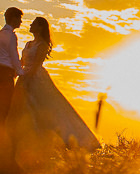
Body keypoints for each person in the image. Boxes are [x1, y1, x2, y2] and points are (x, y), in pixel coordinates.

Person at [10, 16, 100, 156]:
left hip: (36, 78)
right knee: (23, 108)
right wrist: (16, 73)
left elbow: (35, 66)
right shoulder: (28, 44)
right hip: (24, 76)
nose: (30, 25)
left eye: (34, 23)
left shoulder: (43, 45)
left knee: (46, 107)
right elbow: (22, 61)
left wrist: (27, 80)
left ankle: (63, 140)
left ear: (40, 27)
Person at [0, 7, 23, 150]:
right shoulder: (11, 35)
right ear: (13, 18)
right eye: (19, 18)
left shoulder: (0, 33)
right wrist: (21, 72)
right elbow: (14, 56)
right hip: (4, 73)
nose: (21, 21)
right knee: (3, 109)